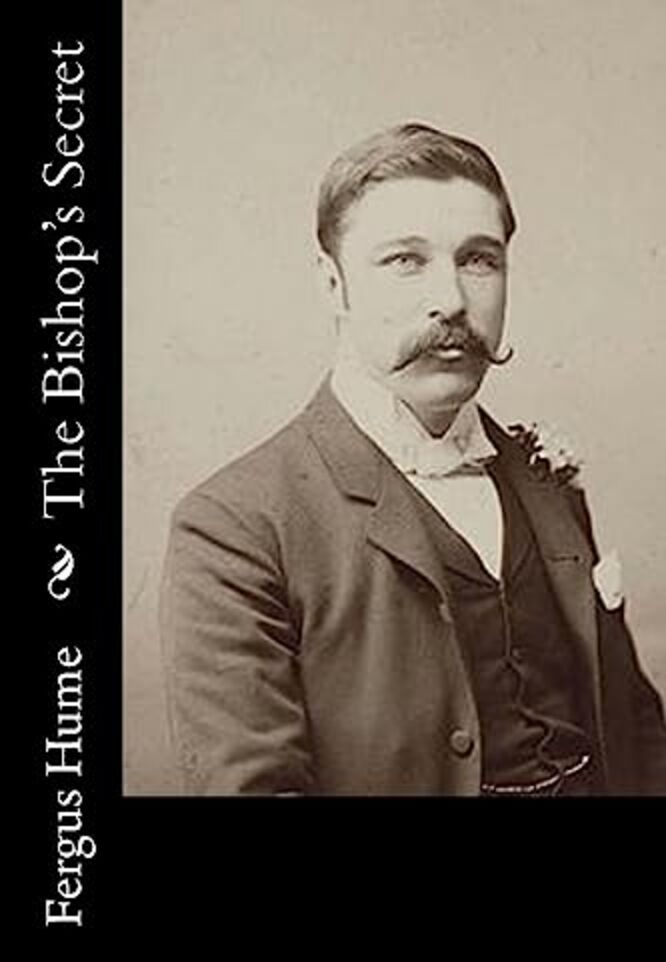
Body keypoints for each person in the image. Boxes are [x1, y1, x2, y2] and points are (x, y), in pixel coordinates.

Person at [160, 122, 666, 796]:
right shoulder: (233, 526)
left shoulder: (546, 483)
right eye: (405, 260)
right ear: (333, 284)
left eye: (479, 259)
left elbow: (636, 731)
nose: (451, 301)